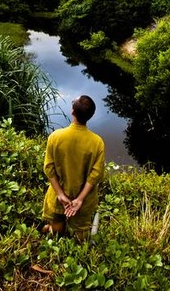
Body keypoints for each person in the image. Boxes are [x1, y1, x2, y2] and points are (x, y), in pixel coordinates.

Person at [41, 95, 105, 240]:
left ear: (72, 111)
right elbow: (96, 174)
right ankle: (78, 244)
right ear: (91, 115)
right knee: (81, 233)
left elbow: (49, 168)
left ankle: (53, 230)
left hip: (59, 196)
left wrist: (60, 194)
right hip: (84, 199)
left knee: (57, 226)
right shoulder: (97, 142)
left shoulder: (55, 137)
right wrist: (80, 199)